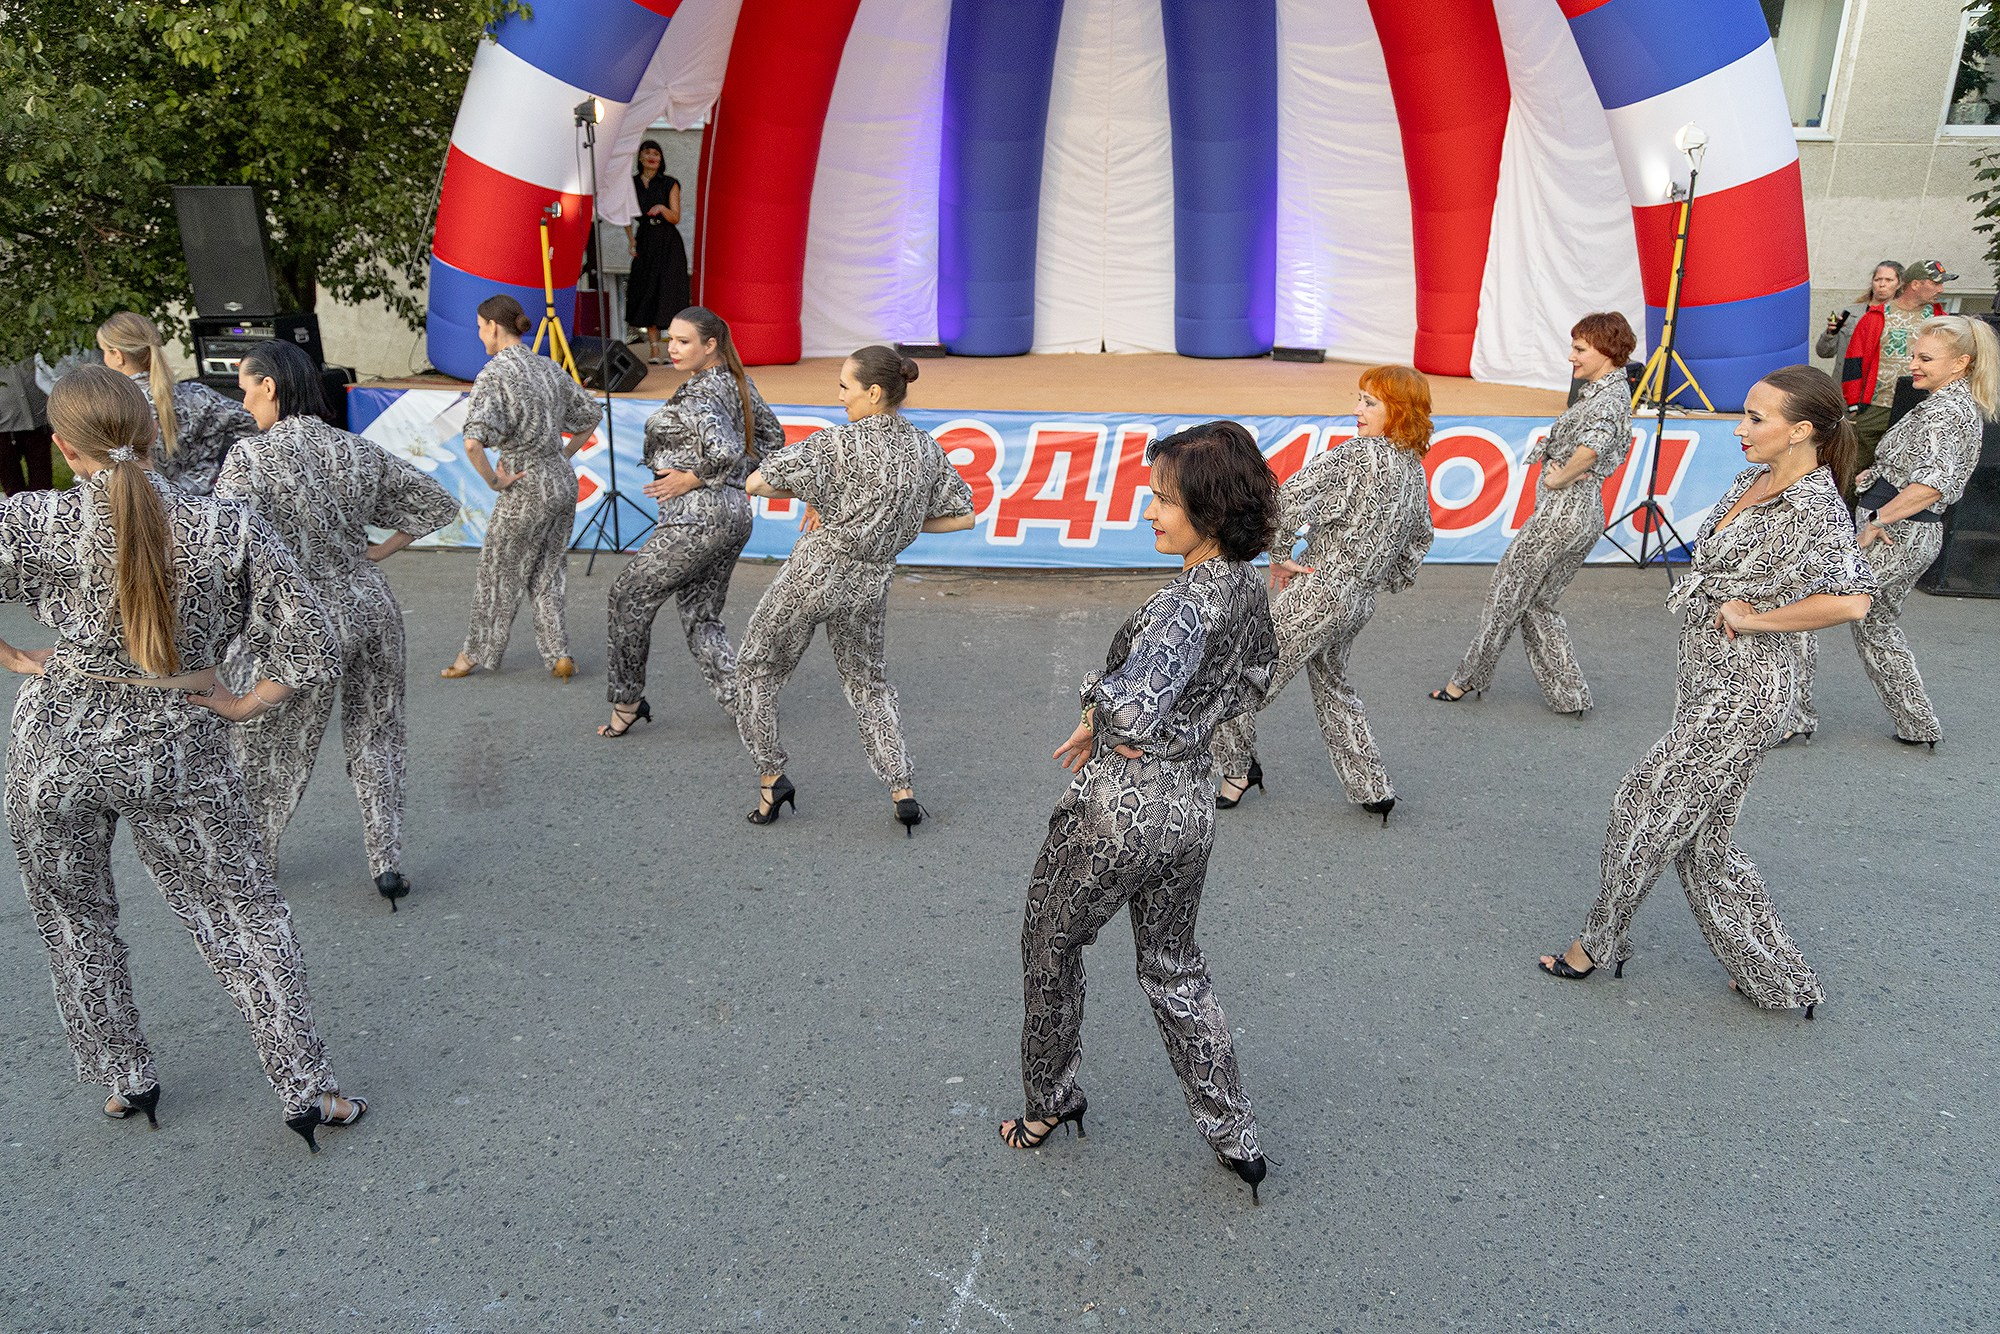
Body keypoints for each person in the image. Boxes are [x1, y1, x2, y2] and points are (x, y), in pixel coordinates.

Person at [0, 365, 366, 1151]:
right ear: (155, 430)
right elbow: (311, 645)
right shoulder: (226, 526)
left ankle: (124, 1076)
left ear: (63, 448)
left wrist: (13, 655)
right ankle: (307, 1089)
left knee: (73, 916)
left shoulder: (30, 522)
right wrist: (239, 701)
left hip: (54, 739)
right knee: (242, 914)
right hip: (177, 736)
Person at [1537, 366, 1875, 1018]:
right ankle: (1777, 979)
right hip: (1702, 674)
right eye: (1744, 414)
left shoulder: (1815, 506)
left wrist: (1757, 619)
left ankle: (1597, 944)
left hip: (1745, 688)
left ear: (1801, 429)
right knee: (1704, 845)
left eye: (1757, 418)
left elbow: (1854, 600)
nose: (1741, 428)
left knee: (1642, 802)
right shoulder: (1755, 481)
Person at [1001, 420, 1276, 1205]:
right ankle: (1237, 1138)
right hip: (1191, 806)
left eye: (1162, 500)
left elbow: (1133, 708)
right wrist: (1186, 722)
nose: (1148, 511)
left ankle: (1049, 1105)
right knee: (1175, 968)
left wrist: (1100, 705)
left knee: (1050, 947)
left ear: (1211, 510)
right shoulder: (1244, 590)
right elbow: (1257, 678)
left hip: (1120, 809)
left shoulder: (1184, 605)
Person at [217, 340, 458, 908]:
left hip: (296, 619)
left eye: (246, 387)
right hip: (369, 607)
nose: (244, 400)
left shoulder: (250, 459)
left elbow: (227, 548)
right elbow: (438, 504)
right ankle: (387, 862)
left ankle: (254, 860)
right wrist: (377, 553)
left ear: (269, 386)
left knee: (268, 745)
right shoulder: (355, 450)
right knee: (378, 734)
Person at [737, 346, 975, 834]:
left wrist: (824, 500)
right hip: (871, 580)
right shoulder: (926, 448)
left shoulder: (837, 444)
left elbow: (757, 482)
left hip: (816, 571)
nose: (840, 396)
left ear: (873, 392)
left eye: (845, 387)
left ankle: (771, 777)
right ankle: (901, 788)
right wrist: (895, 525)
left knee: (756, 668)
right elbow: (964, 516)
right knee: (868, 683)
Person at [1209, 365, 1434, 823]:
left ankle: (1236, 771)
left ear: (1399, 410)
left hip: (1321, 590)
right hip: (1358, 602)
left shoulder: (1357, 457)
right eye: (1359, 399)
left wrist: (1278, 553)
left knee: (1239, 678)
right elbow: (1420, 539)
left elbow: (1287, 500)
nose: (1356, 410)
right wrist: (1381, 577)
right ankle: (1374, 789)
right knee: (1333, 685)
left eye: (1369, 402)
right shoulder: (1413, 472)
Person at [1431, 314, 1635, 714]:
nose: (1571, 357)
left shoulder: (1607, 398)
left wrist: (1561, 479)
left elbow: (1592, 447)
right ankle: (1570, 695)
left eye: (1580, 349)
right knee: (1539, 605)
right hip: (1583, 516)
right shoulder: (1607, 392)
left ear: (1606, 351)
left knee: (1504, 594)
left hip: (1562, 514)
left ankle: (1465, 679)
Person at [600, 308, 781, 737]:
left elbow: (724, 450)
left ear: (710, 345)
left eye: (683, 341)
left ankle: (627, 700)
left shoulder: (702, 394)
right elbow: (773, 440)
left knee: (627, 596)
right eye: (671, 339)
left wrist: (691, 478)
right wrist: (735, 482)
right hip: (734, 514)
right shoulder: (737, 383)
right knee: (700, 615)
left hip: (696, 518)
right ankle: (744, 704)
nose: (673, 348)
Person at [1840, 314, 1995, 747]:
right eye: (1913, 355)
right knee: (1876, 625)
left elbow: (1931, 484)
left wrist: (1877, 519)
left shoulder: (1947, 412)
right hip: (1910, 533)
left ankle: (1785, 712)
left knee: (1804, 606)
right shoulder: (1950, 405)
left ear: (1960, 363)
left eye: (1926, 358)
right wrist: (1880, 474)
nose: (1914, 364)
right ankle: (1917, 723)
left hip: (1897, 535)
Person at [441, 295, 602, 682]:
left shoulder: (493, 375)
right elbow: (591, 415)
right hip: (561, 481)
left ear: (493, 327)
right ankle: (559, 654)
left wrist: (495, 481)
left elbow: (472, 442)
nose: (480, 335)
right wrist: (562, 455)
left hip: (525, 482)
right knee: (549, 570)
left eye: (481, 327)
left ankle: (472, 654)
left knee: (498, 572)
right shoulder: (547, 368)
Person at [96, 311, 257, 496]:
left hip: (148, 508)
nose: (104, 359)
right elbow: (256, 423)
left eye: (104, 351)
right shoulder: (198, 396)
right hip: (207, 507)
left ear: (117, 355)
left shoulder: (112, 407)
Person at [1837, 260, 1951, 476]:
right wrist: (1853, 405)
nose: (1941, 289)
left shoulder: (1940, 320)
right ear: (1915, 284)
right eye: (1935, 283)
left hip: (1919, 408)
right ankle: (1845, 509)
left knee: (1903, 470)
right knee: (1855, 468)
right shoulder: (1875, 317)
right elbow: (1854, 363)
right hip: (1876, 406)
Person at [625, 140, 690, 366]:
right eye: (648, 152)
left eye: (657, 153)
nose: (652, 157)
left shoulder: (670, 183)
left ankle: (675, 347)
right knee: (647, 291)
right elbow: (624, 212)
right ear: (640, 157)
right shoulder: (631, 183)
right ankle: (654, 350)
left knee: (669, 291)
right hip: (645, 239)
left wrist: (662, 208)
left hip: (667, 241)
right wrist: (631, 240)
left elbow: (675, 217)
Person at [1815, 260, 1902, 364]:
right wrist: (1830, 333)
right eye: (1878, 279)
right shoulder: (1851, 313)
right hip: (1847, 376)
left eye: (1889, 280)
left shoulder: (1901, 316)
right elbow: (1824, 352)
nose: (1882, 284)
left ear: (1899, 284)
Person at [0, 356, 56, 493]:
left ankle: (44, 512)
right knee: (12, 485)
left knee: (42, 484)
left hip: (36, 420)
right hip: (3, 427)